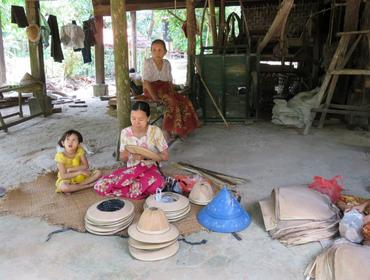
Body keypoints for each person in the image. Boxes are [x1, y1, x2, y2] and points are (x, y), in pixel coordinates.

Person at [94, 101, 169, 199]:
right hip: (132, 170)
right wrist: (131, 156)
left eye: (141, 119)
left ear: (148, 118)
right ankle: (135, 189)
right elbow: (122, 157)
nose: (136, 122)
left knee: (158, 184)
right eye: (133, 118)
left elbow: (165, 156)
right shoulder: (125, 132)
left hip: (151, 169)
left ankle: (133, 189)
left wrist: (146, 156)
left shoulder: (155, 131)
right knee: (101, 185)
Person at [142, 39, 200, 139]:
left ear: (165, 52)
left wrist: (173, 92)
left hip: (165, 89)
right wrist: (155, 98)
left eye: (160, 50)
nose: (157, 52)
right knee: (172, 102)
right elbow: (146, 82)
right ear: (151, 51)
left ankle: (186, 127)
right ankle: (171, 129)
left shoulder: (167, 63)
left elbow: (169, 81)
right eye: (154, 50)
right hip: (152, 90)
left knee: (184, 100)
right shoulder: (148, 62)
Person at [55, 129, 102, 194]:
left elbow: (86, 166)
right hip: (67, 178)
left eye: (74, 140)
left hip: (80, 176)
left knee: (99, 173)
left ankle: (75, 187)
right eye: (68, 139)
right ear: (63, 143)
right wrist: (79, 172)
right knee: (64, 187)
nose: (70, 142)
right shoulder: (60, 156)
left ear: (79, 144)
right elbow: (63, 176)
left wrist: (71, 169)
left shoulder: (80, 151)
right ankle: (88, 185)